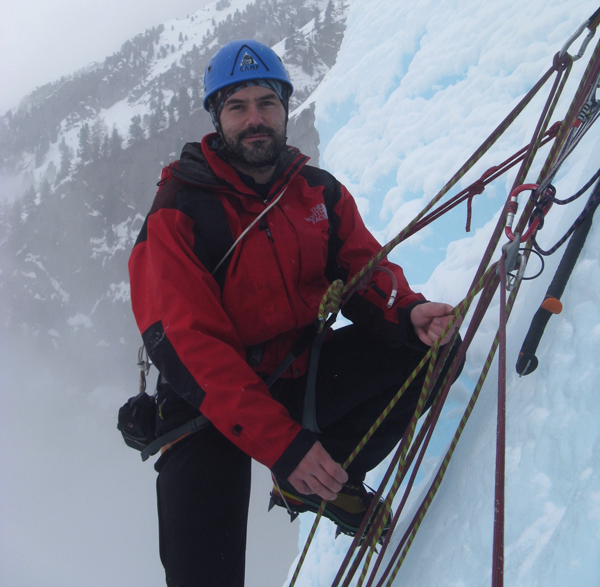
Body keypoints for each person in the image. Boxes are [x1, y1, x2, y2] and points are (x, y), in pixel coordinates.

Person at [128, 39, 462, 587]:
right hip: (206, 404)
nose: (255, 119)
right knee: (203, 575)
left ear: (286, 109)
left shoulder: (314, 192)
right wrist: (281, 444)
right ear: (217, 118)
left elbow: (362, 270)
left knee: (433, 354)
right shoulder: (180, 213)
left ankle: (316, 480)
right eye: (238, 106)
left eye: (267, 103)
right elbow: (191, 345)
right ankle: (301, 468)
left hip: (293, 373)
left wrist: (407, 313)